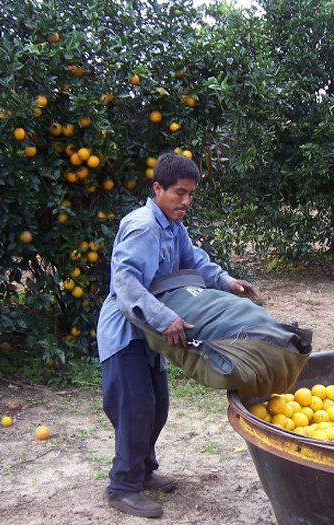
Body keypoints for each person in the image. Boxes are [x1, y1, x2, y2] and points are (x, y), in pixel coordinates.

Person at [96, 151, 258, 518]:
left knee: (158, 407)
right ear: (158, 188)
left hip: (151, 331)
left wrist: (227, 281)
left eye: (190, 195)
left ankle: (144, 471)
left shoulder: (173, 227)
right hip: (126, 331)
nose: (185, 202)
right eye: (179, 193)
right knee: (134, 408)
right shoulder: (143, 227)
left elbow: (196, 260)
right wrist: (164, 317)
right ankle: (123, 486)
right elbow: (125, 283)